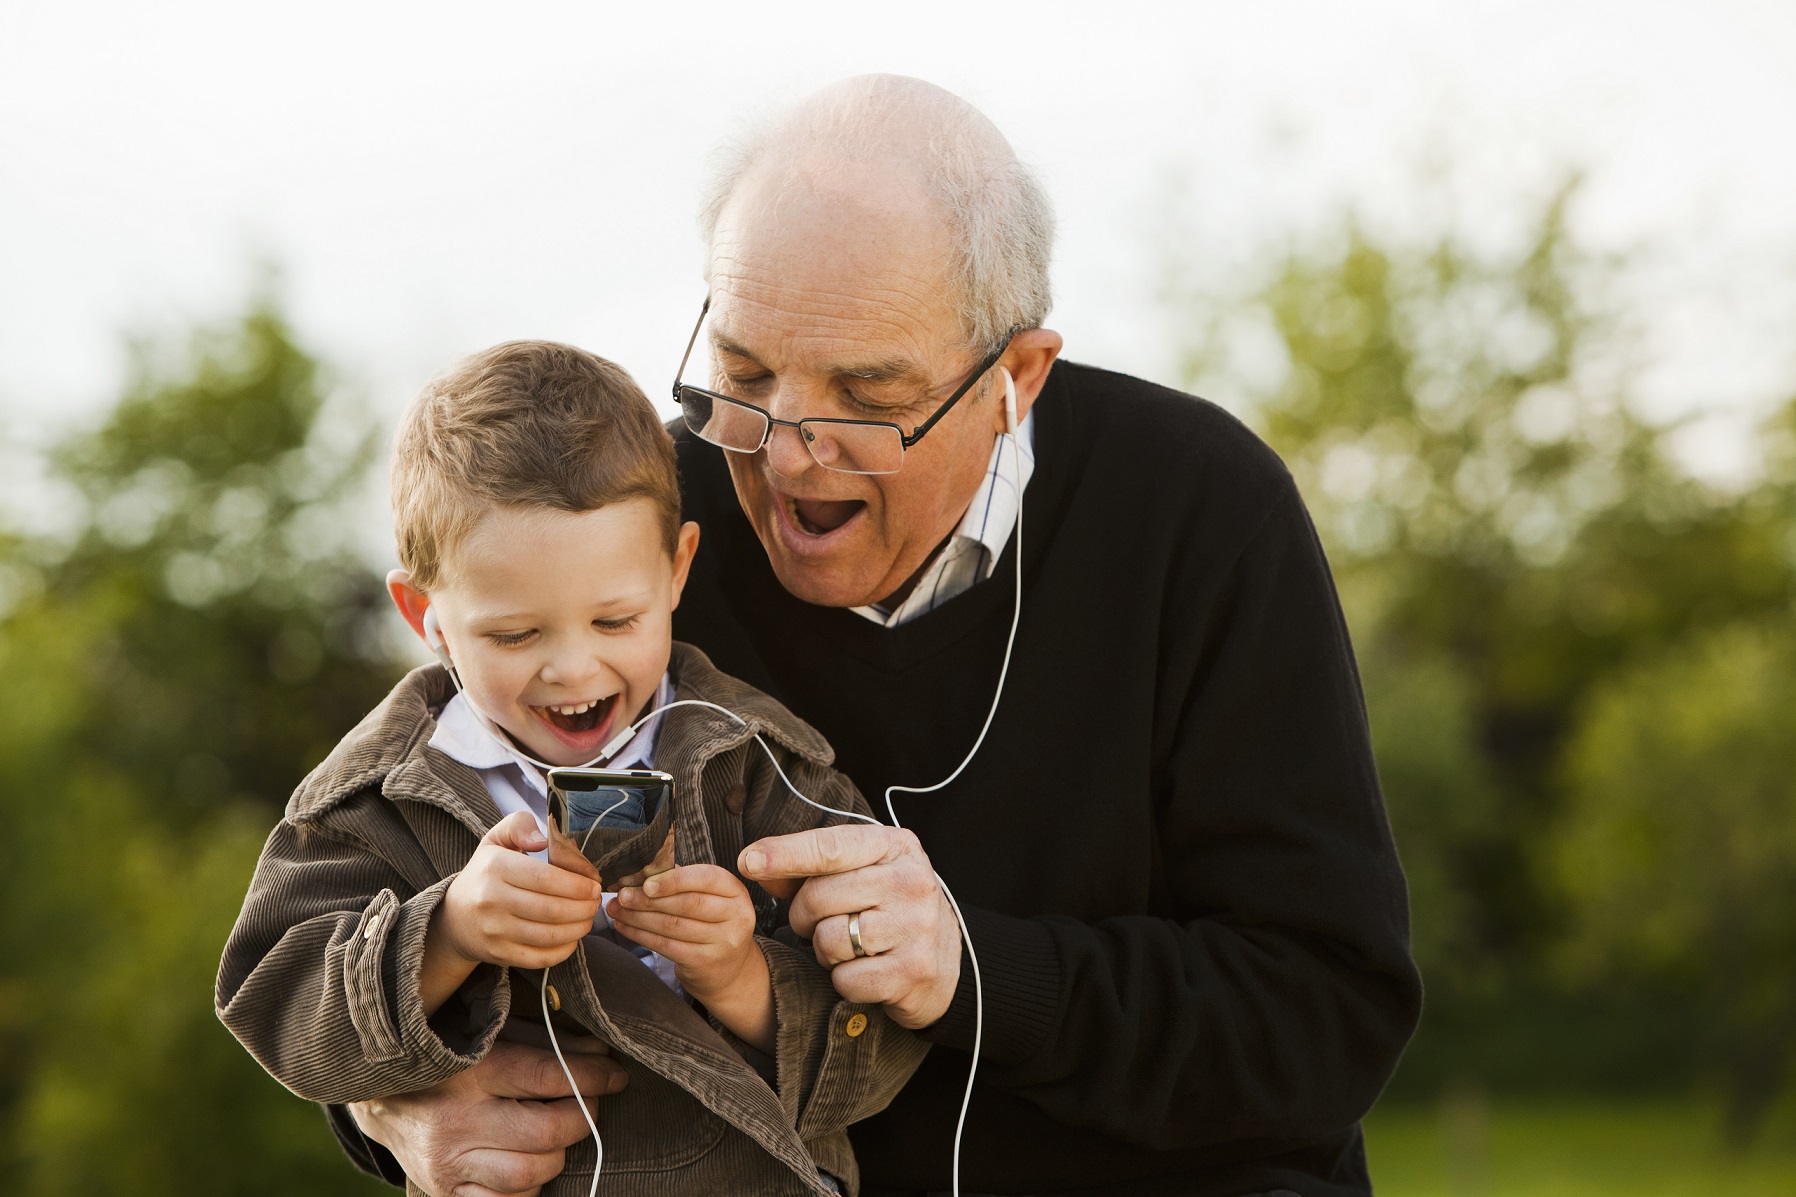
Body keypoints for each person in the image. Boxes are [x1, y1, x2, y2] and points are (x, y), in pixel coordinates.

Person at [340, 76, 1423, 1197]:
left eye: (864, 394)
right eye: (746, 374)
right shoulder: (634, 539)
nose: (789, 454)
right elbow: (390, 870)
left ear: (1014, 377)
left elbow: (1325, 1019)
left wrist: (972, 967)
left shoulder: (1200, 509)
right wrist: (388, 1111)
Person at [217, 341, 926, 1196]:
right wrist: (448, 932)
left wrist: (740, 977)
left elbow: (891, 1042)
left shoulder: (761, 762)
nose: (574, 669)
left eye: (615, 620)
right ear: (425, 615)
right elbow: (276, 1009)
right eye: (516, 635)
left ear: (676, 571)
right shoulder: (377, 801)